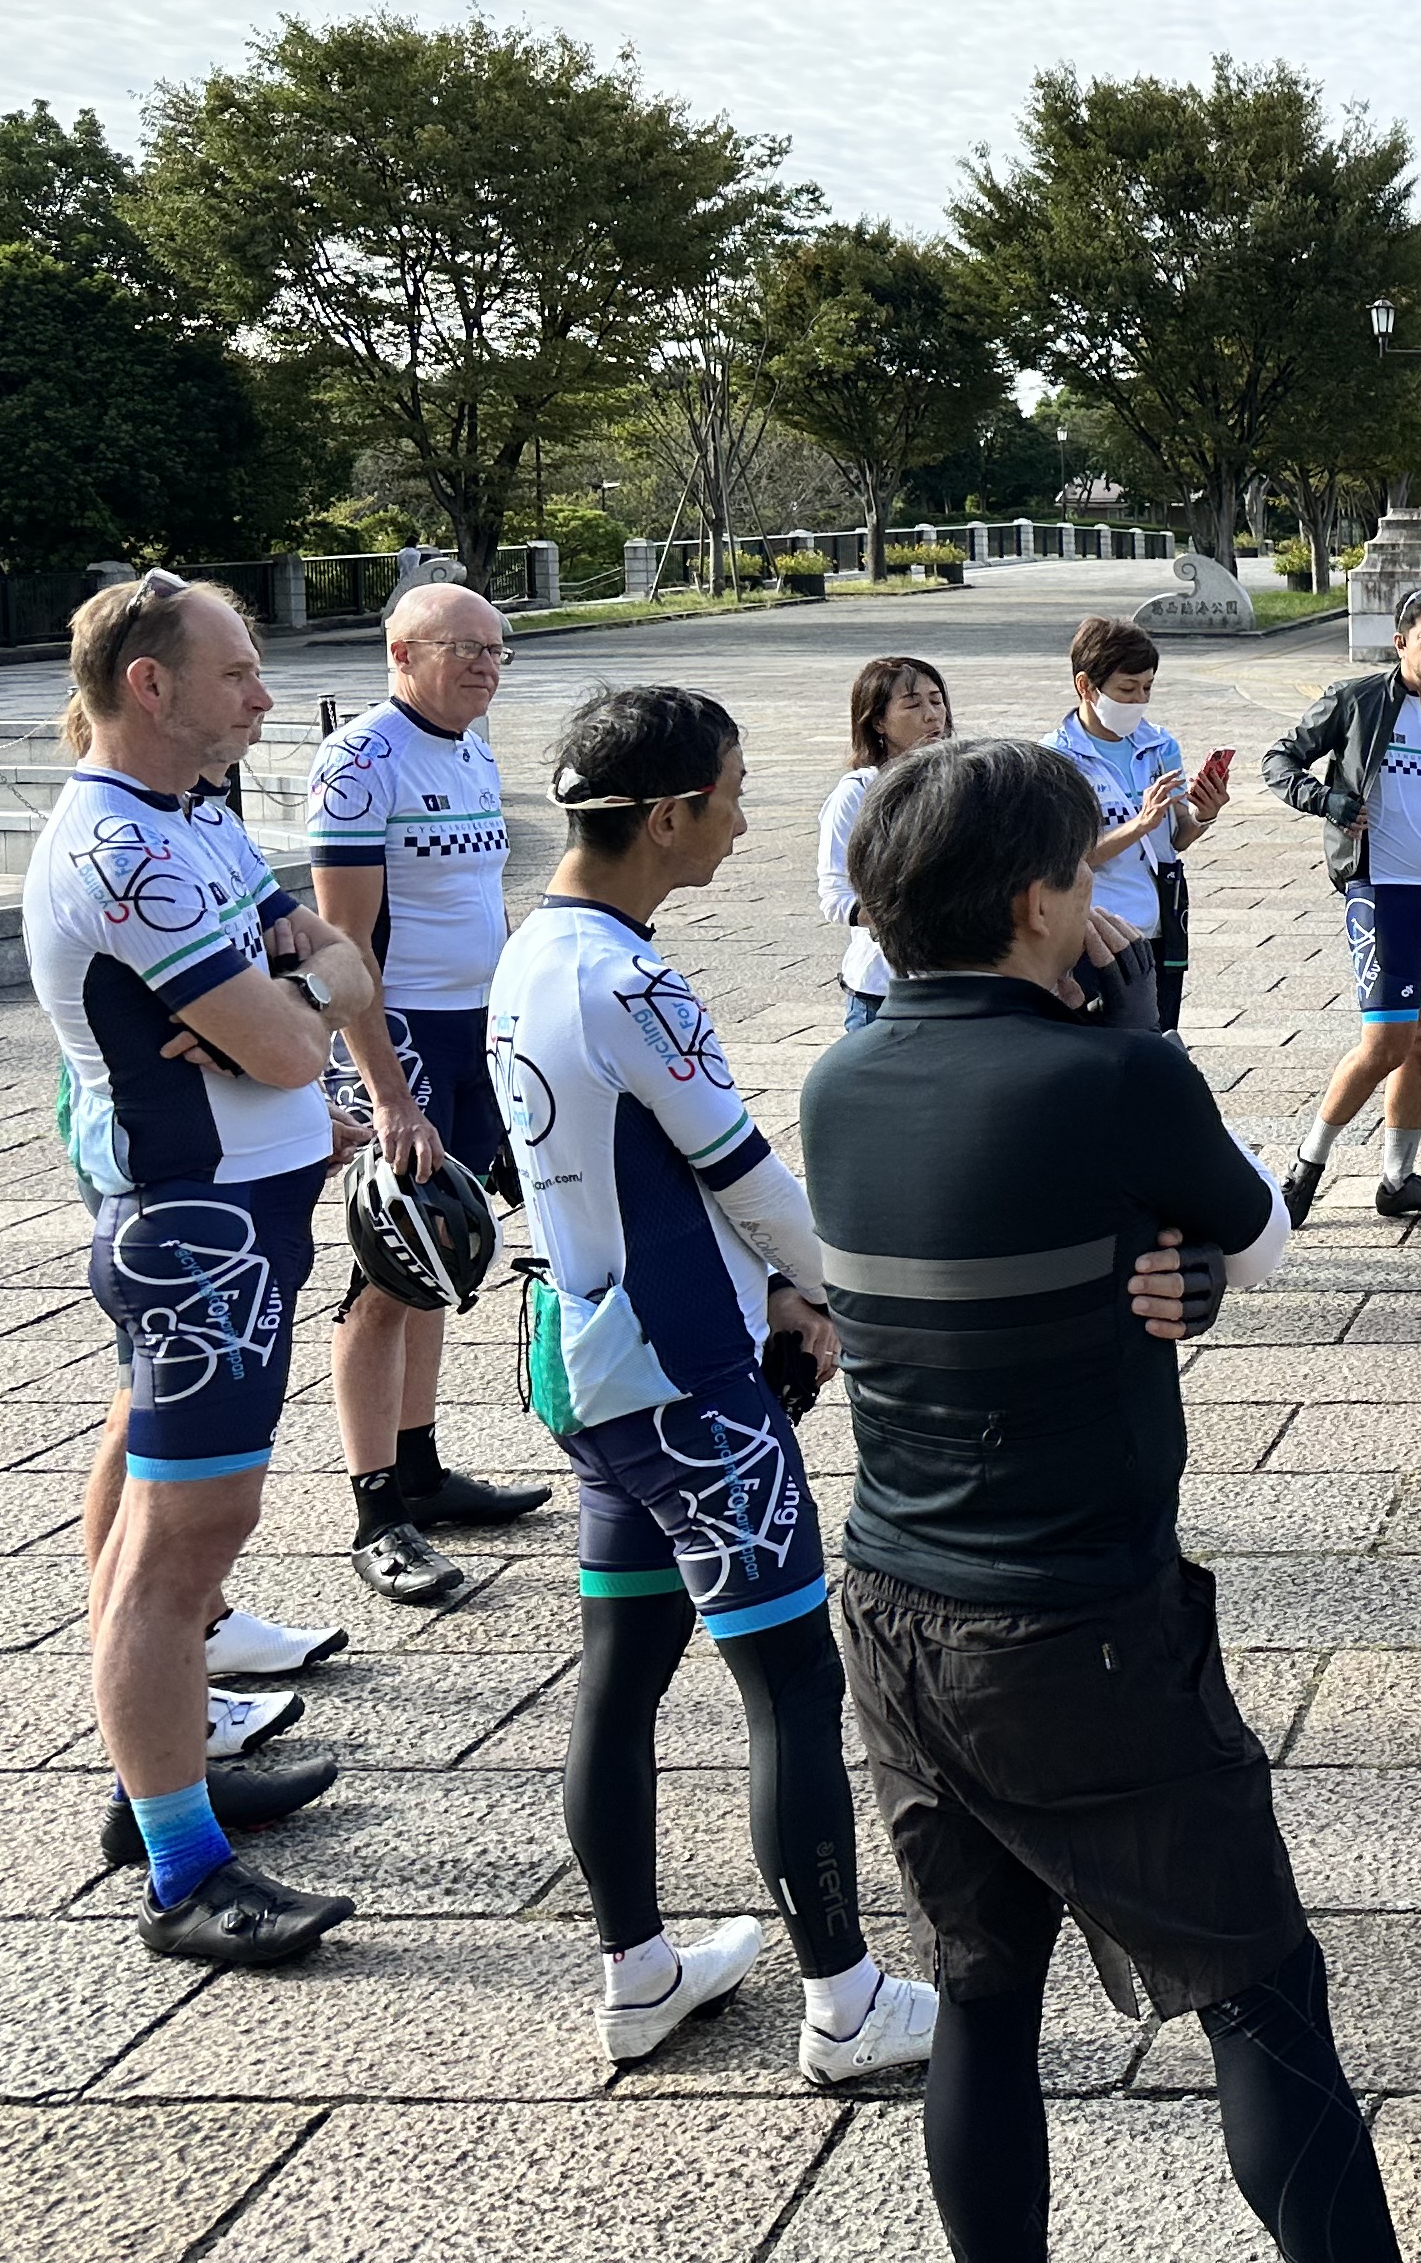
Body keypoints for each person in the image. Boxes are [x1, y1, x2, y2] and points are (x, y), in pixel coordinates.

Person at [806, 738, 1400, 2263]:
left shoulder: (840, 1076)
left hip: (891, 1615)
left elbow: (1029, 1235)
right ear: (1031, 903)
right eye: (1082, 877)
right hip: (1081, 1628)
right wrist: (1146, 1051)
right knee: (1261, 1994)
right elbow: (1264, 1238)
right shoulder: (1119, 1070)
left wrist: (1162, 1261)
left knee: (984, 1990)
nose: (1097, 902)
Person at [491, 683, 935, 2084]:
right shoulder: (631, 980)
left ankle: (636, 1969)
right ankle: (847, 2000)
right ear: (669, 813)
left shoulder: (530, 949)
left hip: (591, 1361)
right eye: (732, 794)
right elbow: (742, 1174)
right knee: (792, 1679)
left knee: (622, 1676)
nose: (743, 820)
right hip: (693, 1389)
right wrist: (841, 1295)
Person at [28, 574, 357, 1964]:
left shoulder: (195, 822)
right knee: (185, 1555)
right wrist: (290, 1015)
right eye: (237, 674)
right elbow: (298, 1039)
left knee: (160, 1530)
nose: (264, 697)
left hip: (233, 1219)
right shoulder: (128, 855)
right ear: (149, 687)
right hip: (196, 1238)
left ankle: (156, 1782)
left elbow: (333, 972)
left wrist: (288, 1003)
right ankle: (180, 1869)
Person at [302, 580, 556, 1615]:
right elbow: (345, 944)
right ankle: (377, 1511)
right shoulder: (361, 761)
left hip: (472, 1030)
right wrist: (391, 1096)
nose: (486, 667)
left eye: (497, 651)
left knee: (443, 1257)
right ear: (401, 652)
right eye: (465, 651)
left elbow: (473, 899)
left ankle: (422, 1468)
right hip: (397, 1032)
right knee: (389, 1267)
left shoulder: (473, 746)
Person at [1265, 587, 1421, 1224]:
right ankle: (1306, 1167)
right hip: (1381, 894)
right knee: (1385, 1044)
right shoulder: (1358, 702)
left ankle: (1398, 1179)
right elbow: (1278, 759)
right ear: (1400, 641)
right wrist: (1325, 801)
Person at [1047, 619, 1229, 1035]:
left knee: (1159, 1039)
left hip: (1159, 921)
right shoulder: (1057, 758)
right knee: (1098, 1048)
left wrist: (1205, 814)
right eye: (1127, 690)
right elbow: (1065, 859)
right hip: (1092, 928)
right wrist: (1140, 824)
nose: (1139, 700)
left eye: (1147, 688)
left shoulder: (1159, 745)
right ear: (1086, 686)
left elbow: (1177, 835)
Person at [820, 654, 954, 1034]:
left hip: (957, 982)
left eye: (936, 700)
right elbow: (835, 897)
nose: (932, 715)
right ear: (878, 721)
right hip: (883, 994)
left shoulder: (964, 783)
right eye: (912, 704)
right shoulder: (857, 794)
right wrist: (906, 920)